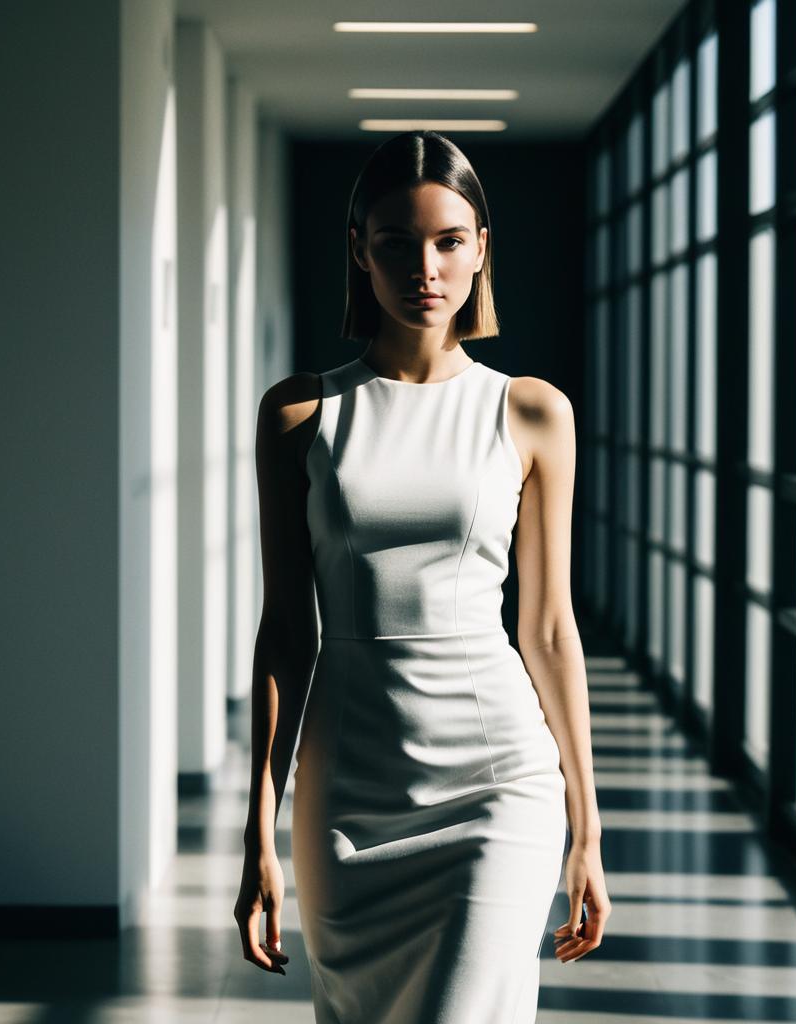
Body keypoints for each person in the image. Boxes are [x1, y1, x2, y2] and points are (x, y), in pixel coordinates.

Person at [233, 130, 611, 1022]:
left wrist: (587, 828)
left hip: (496, 782)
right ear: (359, 251)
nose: (425, 267)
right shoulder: (299, 412)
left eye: (448, 240)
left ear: (482, 249)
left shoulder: (529, 410)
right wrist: (259, 825)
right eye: (396, 242)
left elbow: (549, 629)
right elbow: (286, 629)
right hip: (349, 785)